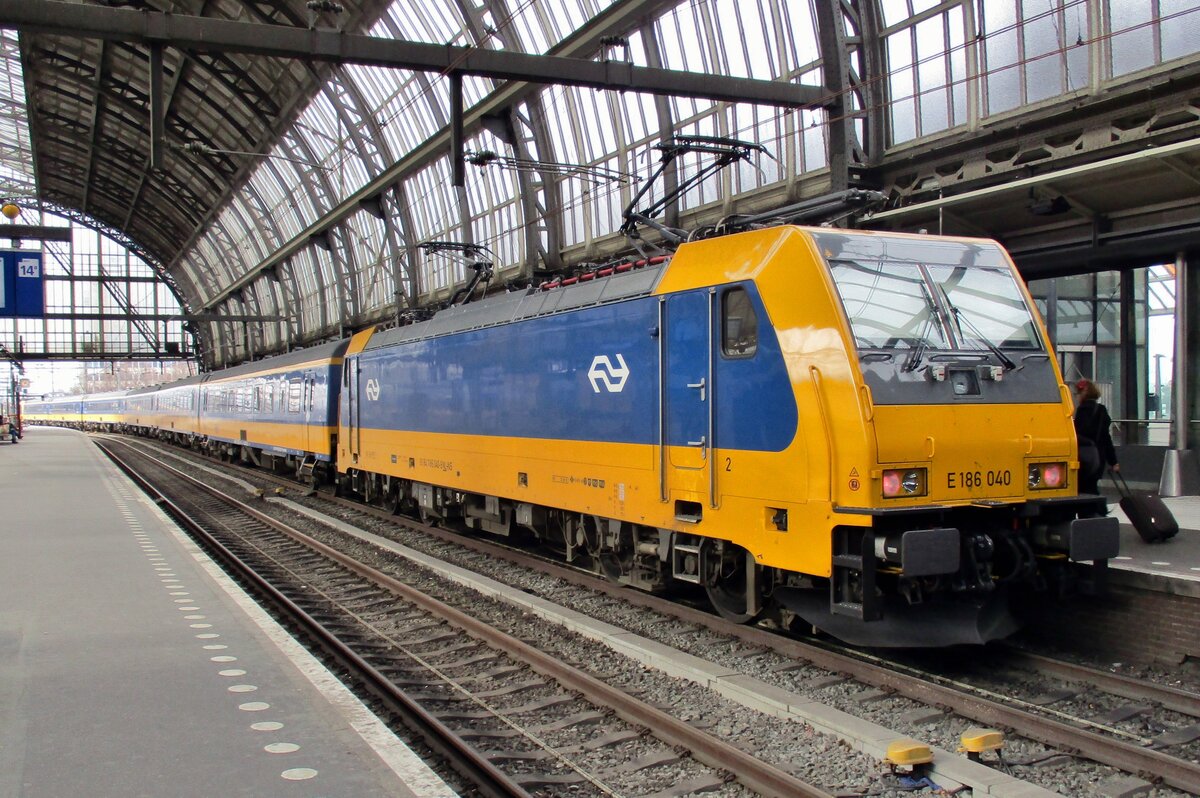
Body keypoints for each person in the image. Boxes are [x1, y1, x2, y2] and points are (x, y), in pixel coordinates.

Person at [1073, 378, 1117, 495]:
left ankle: (1091, 511)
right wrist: (1113, 461)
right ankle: (1095, 511)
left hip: (1082, 457)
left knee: (1081, 489)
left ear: (1083, 393)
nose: (1076, 396)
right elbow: (1106, 438)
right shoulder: (1101, 410)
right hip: (1098, 457)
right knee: (1091, 488)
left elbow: (1078, 435)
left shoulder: (1082, 411)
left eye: (1077, 393)